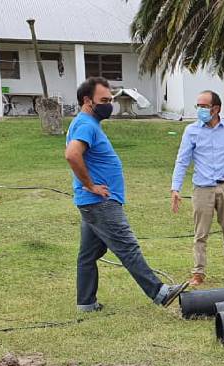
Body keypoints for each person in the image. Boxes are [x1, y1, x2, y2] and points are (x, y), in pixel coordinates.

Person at [65, 76, 187, 312]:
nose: (109, 104)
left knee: (88, 254)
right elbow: (72, 155)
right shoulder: (86, 125)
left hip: (93, 203)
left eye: (110, 99)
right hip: (100, 202)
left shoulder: (85, 122)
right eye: (103, 100)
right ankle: (160, 293)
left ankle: (86, 303)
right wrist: (90, 185)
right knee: (127, 246)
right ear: (87, 101)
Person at [170, 90, 224, 286]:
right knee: (200, 234)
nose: (199, 110)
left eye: (203, 106)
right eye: (198, 106)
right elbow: (182, 161)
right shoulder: (191, 131)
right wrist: (175, 188)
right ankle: (198, 273)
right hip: (202, 189)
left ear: (216, 109)